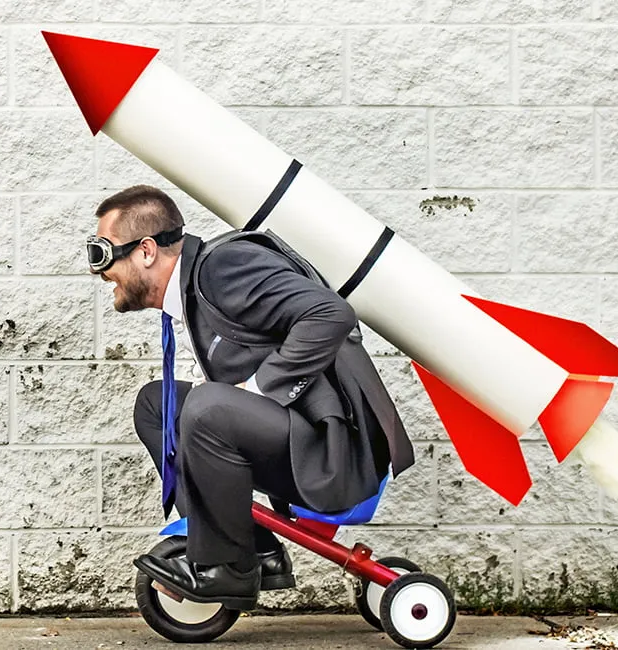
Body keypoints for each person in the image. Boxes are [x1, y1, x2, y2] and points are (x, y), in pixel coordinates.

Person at [87, 185, 414, 609]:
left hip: (335, 457)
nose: (100, 271)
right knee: (158, 405)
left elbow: (331, 314)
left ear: (146, 251)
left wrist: (259, 388)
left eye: (104, 254)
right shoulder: (196, 288)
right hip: (297, 442)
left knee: (208, 407)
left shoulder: (223, 265)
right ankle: (254, 549)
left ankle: (225, 569)